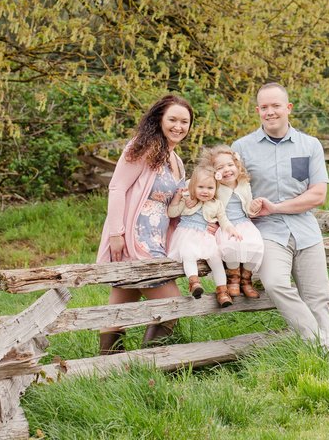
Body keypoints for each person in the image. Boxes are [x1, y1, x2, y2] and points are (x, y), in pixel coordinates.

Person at [232, 83, 329, 356]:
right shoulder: (241, 148)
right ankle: (323, 345)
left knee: (318, 297)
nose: (270, 112)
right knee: (275, 283)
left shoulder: (310, 145)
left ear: (288, 108)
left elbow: (318, 194)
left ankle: (327, 351)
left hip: (306, 230)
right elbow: (232, 193)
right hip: (267, 232)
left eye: (276, 106)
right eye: (264, 107)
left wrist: (277, 207)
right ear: (258, 110)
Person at [96, 94, 193, 354]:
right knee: (172, 304)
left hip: (157, 238)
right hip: (135, 238)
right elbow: (117, 187)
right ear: (159, 119)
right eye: (172, 119)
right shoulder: (143, 146)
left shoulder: (176, 160)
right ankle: (152, 364)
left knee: (120, 307)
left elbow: (171, 206)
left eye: (185, 121)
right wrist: (116, 233)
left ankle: (110, 366)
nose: (178, 126)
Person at [167, 164, 242, 307]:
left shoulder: (217, 204)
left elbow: (224, 220)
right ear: (193, 186)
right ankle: (194, 282)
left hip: (206, 237)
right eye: (201, 187)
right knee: (188, 254)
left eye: (210, 188)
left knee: (216, 260)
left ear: (216, 189)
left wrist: (231, 229)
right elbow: (172, 213)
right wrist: (177, 198)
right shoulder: (187, 200)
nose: (205, 191)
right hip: (186, 234)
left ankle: (222, 291)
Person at [198, 145, 264, 298]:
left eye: (230, 165)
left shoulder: (243, 184)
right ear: (214, 172)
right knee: (230, 246)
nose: (227, 169)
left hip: (245, 223)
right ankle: (233, 279)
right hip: (226, 226)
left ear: (237, 166)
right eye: (220, 167)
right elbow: (204, 199)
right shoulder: (215, 187)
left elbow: (248, 208)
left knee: (256, 245)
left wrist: (254, 207)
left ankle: (246, 280)